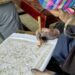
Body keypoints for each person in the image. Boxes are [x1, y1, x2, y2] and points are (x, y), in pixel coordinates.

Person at [32, 0, 75, 75]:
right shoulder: (70, 15)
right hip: (60, 58)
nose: (57, 16)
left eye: (58, 14)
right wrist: (56, 31)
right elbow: (69, 22)